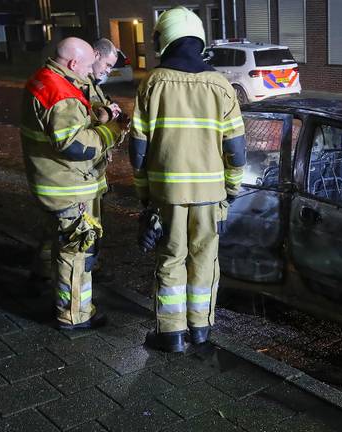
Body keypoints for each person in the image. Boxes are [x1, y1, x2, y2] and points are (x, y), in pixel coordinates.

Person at [130, 6, 246, 352]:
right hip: (211, 195)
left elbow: (138, 151)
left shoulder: (151, 84)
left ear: (163, 40)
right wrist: (232, 189)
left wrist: (145, 194)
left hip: (167, 193)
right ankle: (200, 330)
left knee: (171, 259)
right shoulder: (221, 86)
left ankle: (171, 333)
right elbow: (236, 150)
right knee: (205, 259)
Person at [20, 37, 128, 329]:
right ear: (72, 63)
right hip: (68, 185)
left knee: (57, 239)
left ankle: (45, 281)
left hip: (50, 180)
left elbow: (71, 121)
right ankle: (75, 315)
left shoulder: (45, 79)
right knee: (76, 250)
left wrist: (101, 115)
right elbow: (74, 145)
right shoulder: (61, 93)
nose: (89, 71)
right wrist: (111, 131)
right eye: (86, 66)